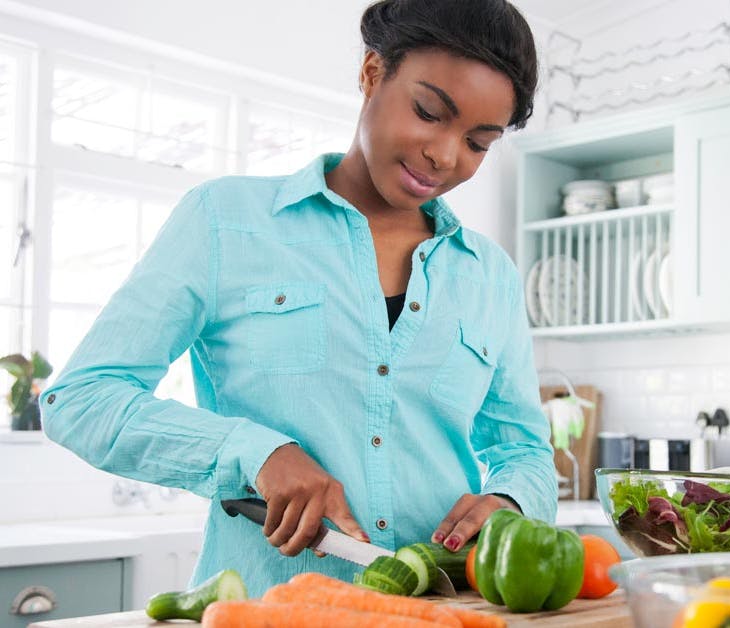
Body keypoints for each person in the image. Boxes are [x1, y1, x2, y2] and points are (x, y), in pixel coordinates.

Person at [41, 0, 556, 597]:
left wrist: (510, 501)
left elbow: (523, 450)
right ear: (371, 73)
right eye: (428, 112)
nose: (445, 155)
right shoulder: (225, 222)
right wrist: (253, 452)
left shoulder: (489, 274)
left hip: (446, 609)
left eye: (477, 142)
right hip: (267, 607)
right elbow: (80, 399)